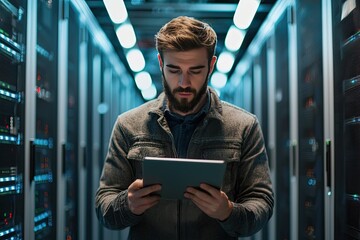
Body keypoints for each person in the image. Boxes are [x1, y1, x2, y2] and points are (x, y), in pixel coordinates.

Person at [95, 16, 274, 240]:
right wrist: (127, 204)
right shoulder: (128, 125)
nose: (184, 82)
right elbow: (103, 206)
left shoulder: (244, 126)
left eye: (195, 70)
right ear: (160, 63)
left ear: (211, 65)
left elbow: (262, 203)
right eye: (174, 69)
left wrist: (228, 212)